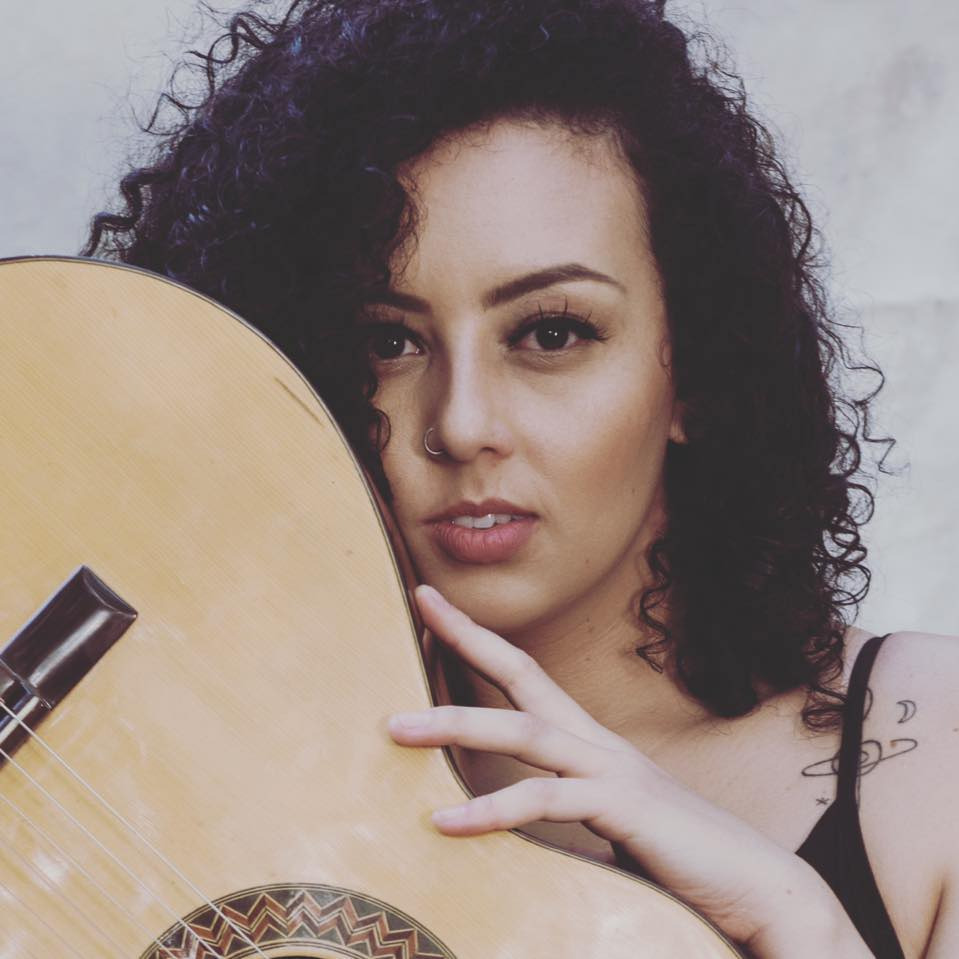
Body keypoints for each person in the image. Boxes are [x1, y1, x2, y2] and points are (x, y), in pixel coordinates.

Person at [83, 1, 958, 955]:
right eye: (387, 342)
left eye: (550, 332)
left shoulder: (933, 765)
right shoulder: (160, 786)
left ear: (698, 372)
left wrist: (799, 923)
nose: (461, 424)